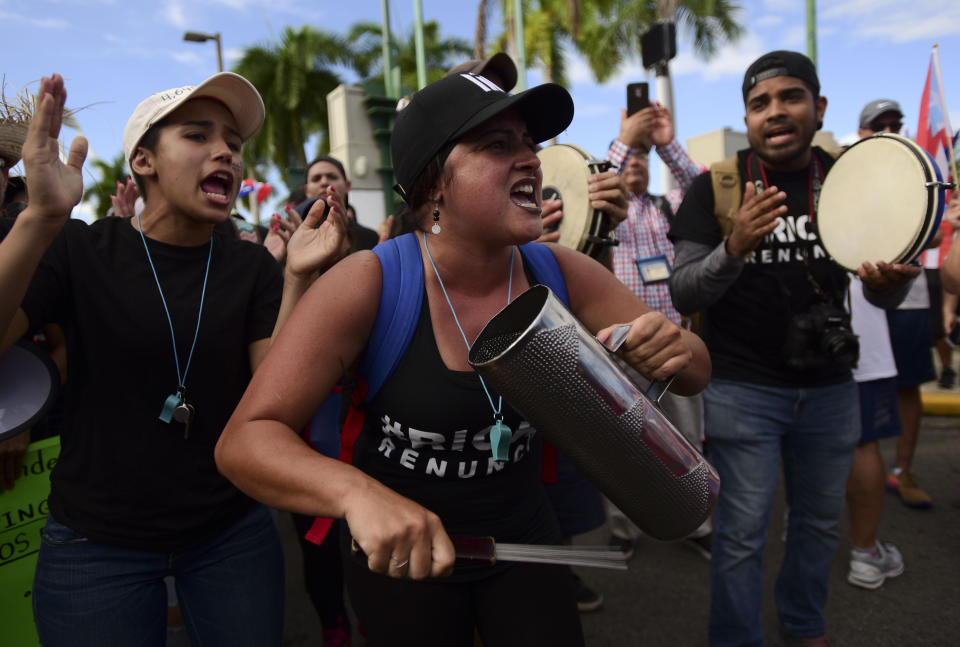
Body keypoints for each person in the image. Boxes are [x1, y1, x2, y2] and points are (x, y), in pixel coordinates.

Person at [216, 71, 710, 647]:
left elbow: (695, 371)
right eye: (498, 145)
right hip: (404, 560)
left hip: (528, 543)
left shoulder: (560, 271)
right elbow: (245, 441)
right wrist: (357, 495)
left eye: (530, 143)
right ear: (434, 186)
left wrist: (679, 349)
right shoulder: (371, 281)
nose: (530, 160)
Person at [0, 72, 347, 646]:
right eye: (197, 136)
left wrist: (296, 279)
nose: (225, 154)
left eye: (234, 144)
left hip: (229, 533)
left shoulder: (252, 268)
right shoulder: (84, 250)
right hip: (95, 542)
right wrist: (39, 218)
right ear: (144, 161)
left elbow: (275, 393)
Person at [667, 51, 918, 646]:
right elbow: (681, 288)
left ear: (818, 107)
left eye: (790, 98)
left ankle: (804, 626)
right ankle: (737, 638)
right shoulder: (716, 187)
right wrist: (735, 246)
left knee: (817, 527)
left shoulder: (850, 180)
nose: (775, 112)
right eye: (760, 104)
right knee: (742, 533)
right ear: (748, 118)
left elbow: (879, 295)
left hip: (831, 386)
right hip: (741, 389)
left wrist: (892, 284)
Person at [603, 98, 712, 562]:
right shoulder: (603, 210)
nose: (637, 168)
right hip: (616, 350)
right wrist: (626, 142)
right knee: (618, 441)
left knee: (685, 441)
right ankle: (622, 527)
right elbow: (595, 182)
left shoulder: (668, 208)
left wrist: (667, 147)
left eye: (645, 161)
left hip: (672, 349)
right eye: (634, 159)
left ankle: (696, 521)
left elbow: (705, 190)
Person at [305, 154, 379, 252]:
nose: (324, 182)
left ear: (347, 186)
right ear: (307, 191)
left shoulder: (370, 238)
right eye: (316, 179)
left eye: (332, 177)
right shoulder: (295, 237)